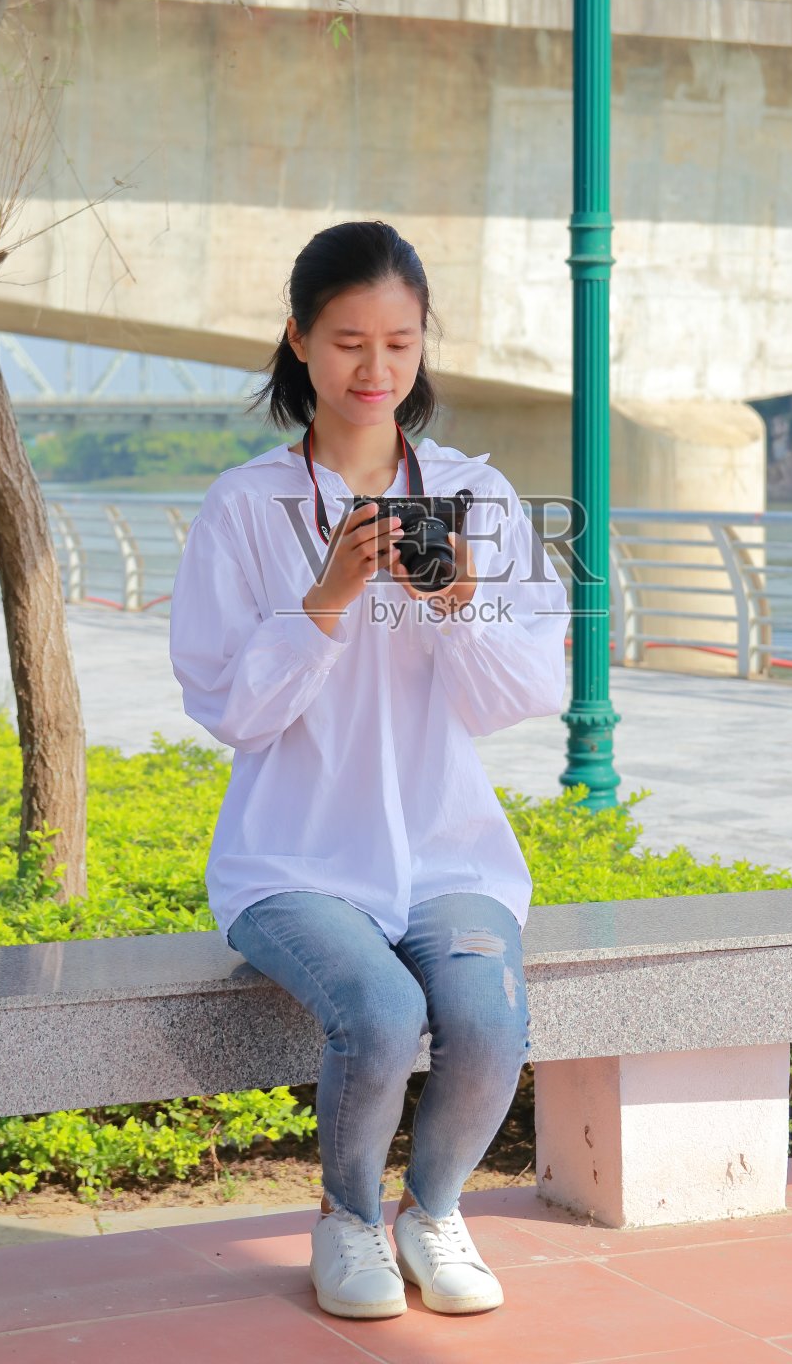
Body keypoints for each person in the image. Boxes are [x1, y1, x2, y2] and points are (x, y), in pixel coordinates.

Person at [169, 220, 570, 1324]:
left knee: (488, 1019)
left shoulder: (475, 495)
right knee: (384, 1014)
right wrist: (325, 600)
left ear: (421, 346)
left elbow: (519, 694)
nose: (373, 368)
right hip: (293, 861)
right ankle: (346, 1218)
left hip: (448, 852)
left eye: (398, 342)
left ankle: (429, 1209)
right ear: (297, 341)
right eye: (347, 339)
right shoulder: (244, 506)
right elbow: (228, 710)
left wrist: (457, 605)